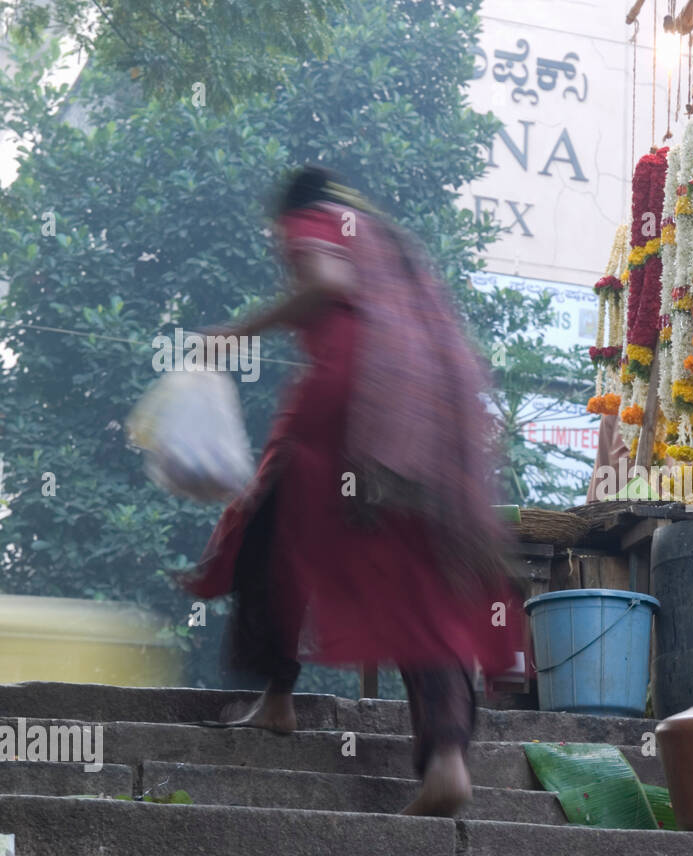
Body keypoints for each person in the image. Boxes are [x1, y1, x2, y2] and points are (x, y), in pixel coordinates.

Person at [182, 165, 516, 817]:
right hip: (424, 426)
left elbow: (326, 281)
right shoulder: (383, 238)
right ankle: (447, 760)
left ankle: (277, 698)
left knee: (270, 527)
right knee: (424, 581)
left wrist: (238, 333)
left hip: (348, 407)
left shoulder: (311, 219)